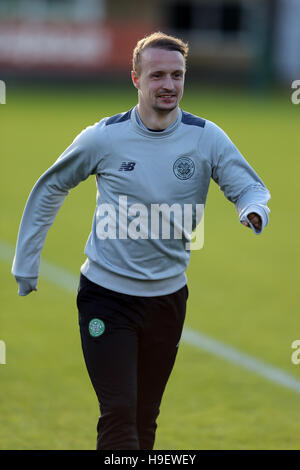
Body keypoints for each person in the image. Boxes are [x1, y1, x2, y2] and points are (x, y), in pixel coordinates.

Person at [12, 31, 271, 450]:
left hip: (168, 301)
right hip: (105, 299)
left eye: (177, 75)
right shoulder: (104, 138)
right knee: (118, 416)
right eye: (157, 76)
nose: (168, 85)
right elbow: (50, 187)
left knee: (144, 419)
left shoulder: (206, 138)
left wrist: (252, 209)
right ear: (136, 78)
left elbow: (250, 187)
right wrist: (26, 263)